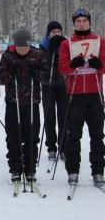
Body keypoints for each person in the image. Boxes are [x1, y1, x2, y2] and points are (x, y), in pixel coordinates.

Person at [58, 9, 105, 187]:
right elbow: (62, 68)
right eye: (78, 21)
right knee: (74, 136)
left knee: (97, 136)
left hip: (95, 95)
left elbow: (104, 64)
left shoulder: (99, 41)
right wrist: (72, 65)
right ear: (74, 23)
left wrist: (99, 65)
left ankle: (98, 171)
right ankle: (73, 171)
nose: (81, 24)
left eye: (84, 20)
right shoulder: (67, 43)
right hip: (75, 95)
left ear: (89, 22)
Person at [0, 29, 46, 183]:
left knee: (31, 137)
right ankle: (15, 169)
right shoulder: (7, 56)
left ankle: (30, 169)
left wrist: (37, 73)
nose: (23, 51)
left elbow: (46, 76)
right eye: (20, 48)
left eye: (25, 48)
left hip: (32, 103)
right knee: (13, 137)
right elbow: (0, 79)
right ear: (15, 45)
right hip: (14, 103)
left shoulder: (37, 54)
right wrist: (11, 73)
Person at [39, 21, 67, 161]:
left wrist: (61, 48)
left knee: (63, 117)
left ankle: (63, 147)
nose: (56, 34)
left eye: (58, 32)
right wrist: (51, 50)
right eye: (53, 32)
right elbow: (43, 65)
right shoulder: (43, 46)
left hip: (63, 85)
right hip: (47, 84)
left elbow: (68, 63)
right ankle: (51, 147)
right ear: (48, 34)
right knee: (49, 117)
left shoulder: (65, 45)